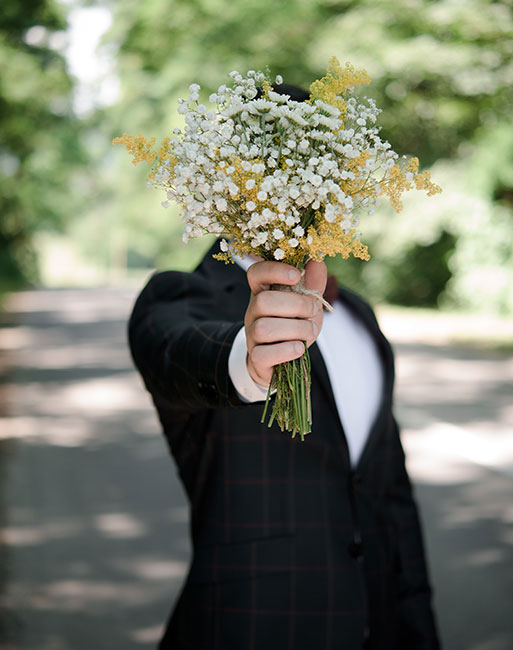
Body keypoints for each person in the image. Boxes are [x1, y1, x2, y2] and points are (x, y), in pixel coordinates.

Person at [127, 87, 440, 650]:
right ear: (230, 176)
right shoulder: (182, 298)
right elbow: (178, 353)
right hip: (250, 630)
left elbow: (391, 494)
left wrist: (417, 627)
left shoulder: (358, 315)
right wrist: (247, 360)